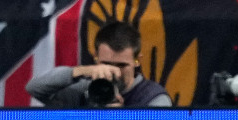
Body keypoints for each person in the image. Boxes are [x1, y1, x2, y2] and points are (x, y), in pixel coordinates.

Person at [25, 20, 172, 106]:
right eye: (106, 64)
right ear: (96, 58)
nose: (114, 71)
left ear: (137, 61)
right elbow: (34, 88)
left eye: (121, 65)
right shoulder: (85, 89)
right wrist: (80, 71)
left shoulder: (153, 98)